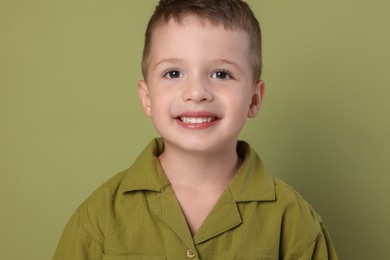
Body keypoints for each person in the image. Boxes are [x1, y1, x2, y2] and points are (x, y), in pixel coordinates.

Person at [53, 0, 338, 259]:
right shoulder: (99, 217)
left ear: (254, 98)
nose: (196, 92)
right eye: (173, 73)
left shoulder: (295, 223)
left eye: (221, 74)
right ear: (147, 98)